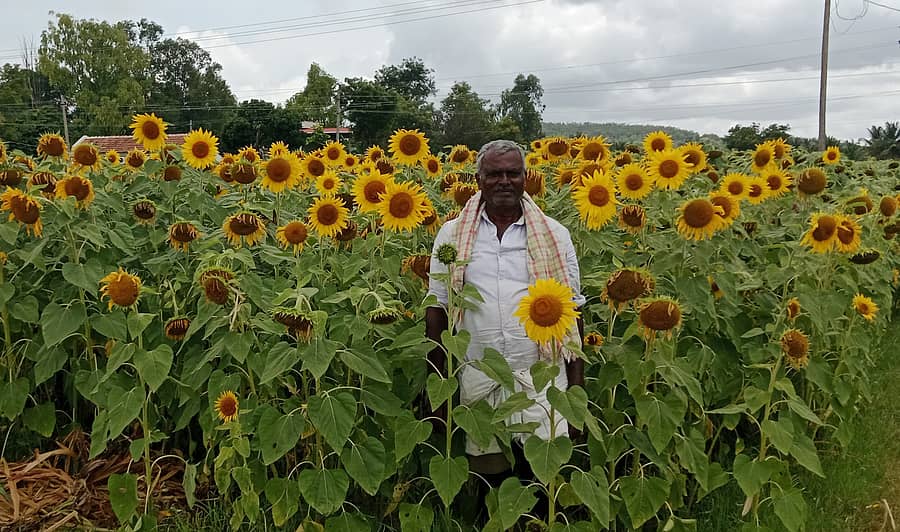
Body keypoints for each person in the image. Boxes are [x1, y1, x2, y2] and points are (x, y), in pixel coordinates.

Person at [424, 139, 586, 503]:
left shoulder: (555, 236)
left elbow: (573, 312)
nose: (504, 181)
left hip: (542, 378)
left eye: (513, 173)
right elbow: (437, 310)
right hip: (480, 375)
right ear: (478, 179)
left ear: (525, 178)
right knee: (490, 486)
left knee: (542, 481)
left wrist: (576, 393)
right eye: (494, 174)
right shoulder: (452, 236)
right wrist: (435, 387)